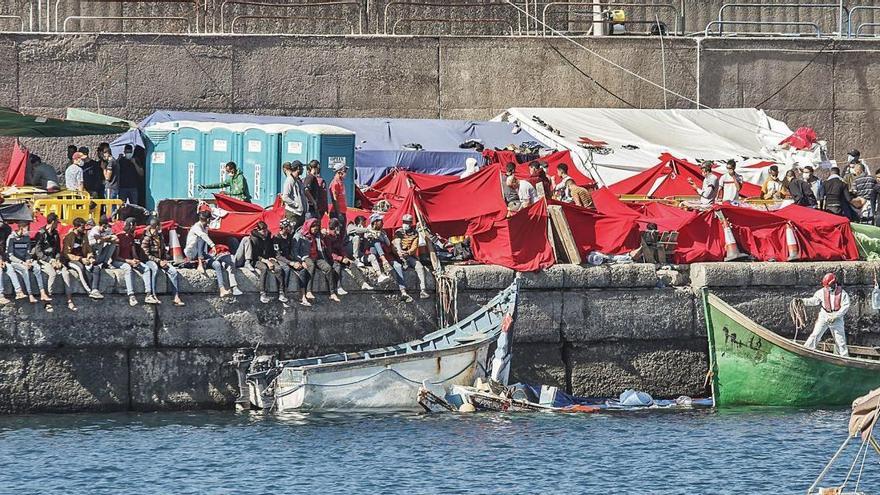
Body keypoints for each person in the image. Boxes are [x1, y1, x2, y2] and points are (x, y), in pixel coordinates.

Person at [184, 211, 242, 297]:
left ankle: (222, 289)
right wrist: (213, 245)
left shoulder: (205, 227)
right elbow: (203, 237)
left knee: (217, 264)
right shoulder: (196, 227)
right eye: (210, 220)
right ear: (207, 220)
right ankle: (200, 263)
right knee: (201, 238)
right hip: (192, 254)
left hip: (202, 253)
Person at [31, 213, 74, 311]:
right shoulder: (41, 233)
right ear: (53, 222)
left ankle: (69, 300)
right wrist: (50, 260)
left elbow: (58, 249)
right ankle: (48, 301)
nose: (58, 224)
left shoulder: (55, 234)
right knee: (52, 273)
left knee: (66, 273)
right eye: (57, 222)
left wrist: (58, 260)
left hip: (54, 259)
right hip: (44, 259)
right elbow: (38, 252)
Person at [802, 273, 850, 357]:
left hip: (837, 318)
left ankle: (844, 358)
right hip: (824, 315)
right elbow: (814, 301)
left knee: (840, 341)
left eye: (830, 286)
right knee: (815, 334)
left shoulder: (843, 294)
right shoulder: (821, 292)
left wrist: (835, 316)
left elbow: (845, 307)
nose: (828, 288)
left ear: (834, 283)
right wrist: (803, 301)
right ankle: (806, 351)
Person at [139, 218, 185, 306]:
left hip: (160, 260)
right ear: (156, 227)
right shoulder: (146, 237)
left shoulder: (160, 236)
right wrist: (159, 261)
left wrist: (164, 260)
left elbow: (163, 250)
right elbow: (145, 255)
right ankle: (153, 295)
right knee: (154, 269)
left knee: (173, 272)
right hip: (149, 260)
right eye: (159, 226)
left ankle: (176, 296)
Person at [294, 218, 340, 303]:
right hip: (305, 257)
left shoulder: (318, 235)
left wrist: (325, 234)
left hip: (317, 256)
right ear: (309, 227)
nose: (315, 231)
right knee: (311, 266)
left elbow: (328, 240)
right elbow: (295, 251)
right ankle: (308, 291)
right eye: (314, 228)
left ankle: (332, 293)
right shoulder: (299, 235)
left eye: (317, 229)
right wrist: (301, 261)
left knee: (328, 268)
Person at [61, 217, 104, 300]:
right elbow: (67, 254)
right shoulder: (69, 237)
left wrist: (90, 257)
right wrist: (80, 259)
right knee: (80, 268)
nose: (84, 229)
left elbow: (88, 249)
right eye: (82, 227)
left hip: (84, 259)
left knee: (96, 268)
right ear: (76, 227)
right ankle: (89, 291)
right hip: (71, 260)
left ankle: (95, 289)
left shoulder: (84, 236)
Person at [111, 217, 149, 307]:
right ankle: (131, 295)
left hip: (130, 260)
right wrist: (129, 261)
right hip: (119, 261)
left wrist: (136, 260)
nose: (136, 227)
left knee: (146, 268)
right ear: (131, 225)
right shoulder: (119, 237)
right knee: (128, 268)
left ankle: (149, 293)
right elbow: (116, 257)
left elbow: (134, 253)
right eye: (135, 225)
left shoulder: (131, 237)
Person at [272, 218, 310, 307]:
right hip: (281, 259)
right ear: (284, 228)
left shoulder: (290, 236)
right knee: (286, 269)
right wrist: (290, 263)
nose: (290, 228)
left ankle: (303, 295)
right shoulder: (276, 238)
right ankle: (283, 294)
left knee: (303, 270)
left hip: (290, 258)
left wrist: (299, 261)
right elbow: (278, 255)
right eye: (289, 226)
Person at [392, 213, 429, 303]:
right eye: (404, 222)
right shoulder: (398, 232)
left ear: (411, 223)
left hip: (409, 255)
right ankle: (403, 261)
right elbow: (393, 245)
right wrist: (399, 253)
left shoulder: (415, 233)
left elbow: (414, 246)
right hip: (398, 254)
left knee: (419, 266)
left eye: (408, 222)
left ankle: (423, 290)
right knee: (397, 241)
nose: (406, 224)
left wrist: (408, 252)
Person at [5, 221, 44, 304]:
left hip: (25, 261)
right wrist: (22, 263)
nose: (29, 230)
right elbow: (10, 256)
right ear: (21, 228)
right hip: (15, 262)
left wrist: (28, 260)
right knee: (25, 269)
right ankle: (30, 294)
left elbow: (28, 252)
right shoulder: (11, 238)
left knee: (37, 267)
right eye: (27, 229)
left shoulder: (26, 238)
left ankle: (42, 292)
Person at [247, 222, 287, 304]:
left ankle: (281, 293)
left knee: (278, 268)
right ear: (258, 230)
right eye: (263, 231)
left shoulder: (268, 236)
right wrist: (266, 261)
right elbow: (255, 255)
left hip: (268, 258)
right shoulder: (253, 239)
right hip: (257, 259)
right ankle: (262, 293)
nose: (265, 233)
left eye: (266, 230)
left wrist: (272, 257)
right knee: (264, 269)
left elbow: (270, 249)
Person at [325, 218, 353, 297]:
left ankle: (362, 282)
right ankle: (338, 287)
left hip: (339, 257)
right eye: (338, 227)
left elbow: (341, 248)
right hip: (330, 258)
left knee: (351, 264)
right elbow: (330, 253)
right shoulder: (328, 237)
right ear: (335, 227)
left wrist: (345, 257)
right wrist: (340, 258)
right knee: (337, 266)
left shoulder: (337, 236)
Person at [362, 214, 392, 285]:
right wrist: (371, 235)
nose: (382, 223)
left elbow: (388, 244)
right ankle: (384, 261)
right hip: (369, 255)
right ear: (375, 222)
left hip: (379, 254)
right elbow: (365, 242)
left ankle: (383, 261)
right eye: (380, 221)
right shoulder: (368, 229)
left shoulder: (383, 231)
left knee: (376, 242)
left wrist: (382, 235)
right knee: (375, 241)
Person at [280, 161, 308, 229]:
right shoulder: (289, 180)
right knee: (291, 233)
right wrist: (296, 205)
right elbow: (285, 197)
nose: (303, 170)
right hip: (293, 214)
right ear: (298, 168)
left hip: (300, 213)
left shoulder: (298, 180)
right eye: (302, 168)